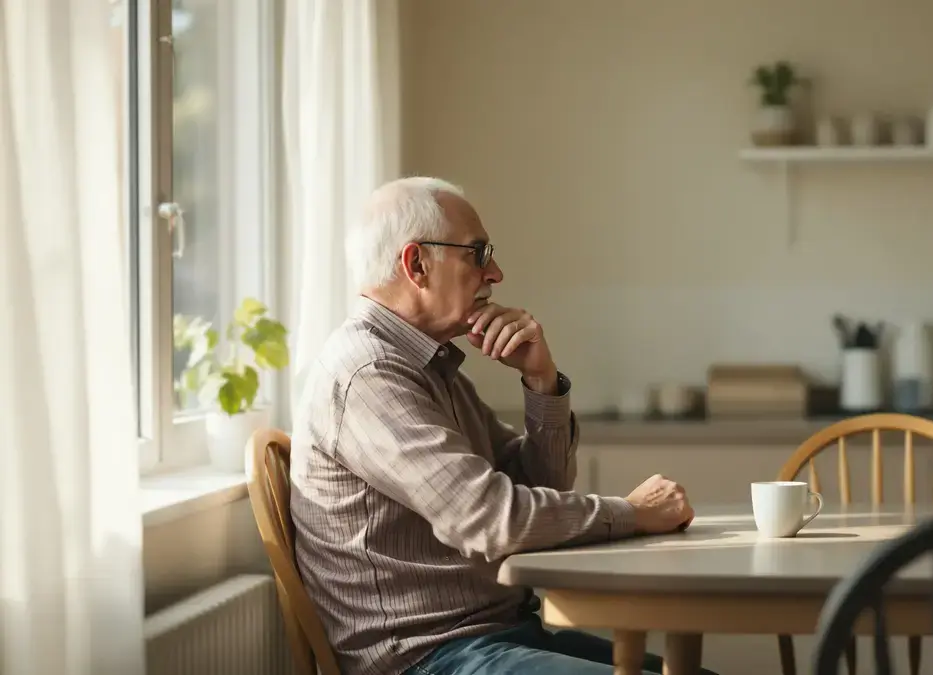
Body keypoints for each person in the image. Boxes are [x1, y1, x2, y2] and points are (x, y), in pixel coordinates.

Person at [289, 177, 715, 675]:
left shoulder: (429, 366)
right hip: (428, 659)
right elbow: (493, 519)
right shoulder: (368, 375)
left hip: (493, 636)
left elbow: (539, 486)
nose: (496, 272)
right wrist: (632, 513)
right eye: (477, 254)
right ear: (416, 265)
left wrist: (541, 380)